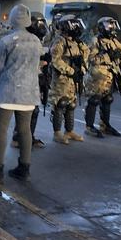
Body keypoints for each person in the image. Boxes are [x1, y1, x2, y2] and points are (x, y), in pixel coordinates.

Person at [0, 5, 42, 183]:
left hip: (7, 92)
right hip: (29, 94)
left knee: (1, 131)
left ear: (13, 19)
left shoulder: (6, 41)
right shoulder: (36, 42)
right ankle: (24, 168)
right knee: (25, 131)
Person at [83, 17, 121, 138]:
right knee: (94, 100)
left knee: (107, 99)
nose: (112, 28)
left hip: (110, 75)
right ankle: (89, 126)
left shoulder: (113, 41)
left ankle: (105, 125)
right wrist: (108, 57)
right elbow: (91, 59)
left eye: (113, 25)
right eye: (109, 25)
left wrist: (120, 55)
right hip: (97, 76)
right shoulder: (95, 41)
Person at [49, 14, 89, 145]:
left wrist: (81, 70)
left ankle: (69, 131)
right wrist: (70, 71)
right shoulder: (59, 42)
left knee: (71, 104)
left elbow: (85, 57)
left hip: (73, 80)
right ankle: (57, 133)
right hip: (62, 79)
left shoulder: (77, 42)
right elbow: (55, 60)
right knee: (60, 103)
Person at [11, 12, 49, 148]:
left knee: (34, 110)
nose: (41, 27)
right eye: (38, 23)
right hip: (24, 81)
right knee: (25, 110)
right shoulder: (24, 40)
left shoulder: (37, 40)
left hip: (35, 80)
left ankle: (28, 137)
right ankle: (18, 138)